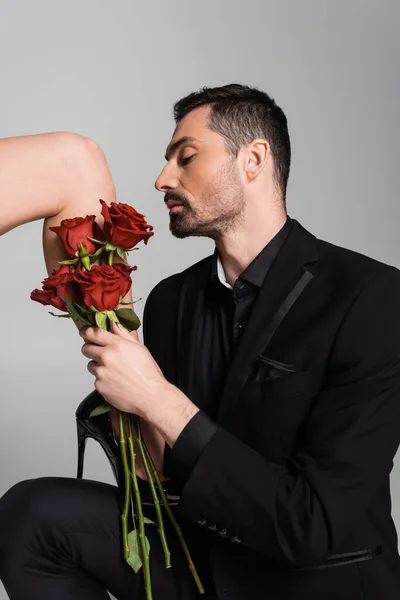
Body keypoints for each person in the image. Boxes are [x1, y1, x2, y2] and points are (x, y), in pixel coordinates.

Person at [1, 84, 400, 600]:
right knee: (32, 516)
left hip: (311, 580)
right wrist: (106, 337)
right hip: (200, 562)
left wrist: (156, 398)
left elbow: (312, 525)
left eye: (185, 158)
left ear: (253, 159)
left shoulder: (372, 297)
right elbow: (164, 481)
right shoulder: (172, 300)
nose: (163, 178)